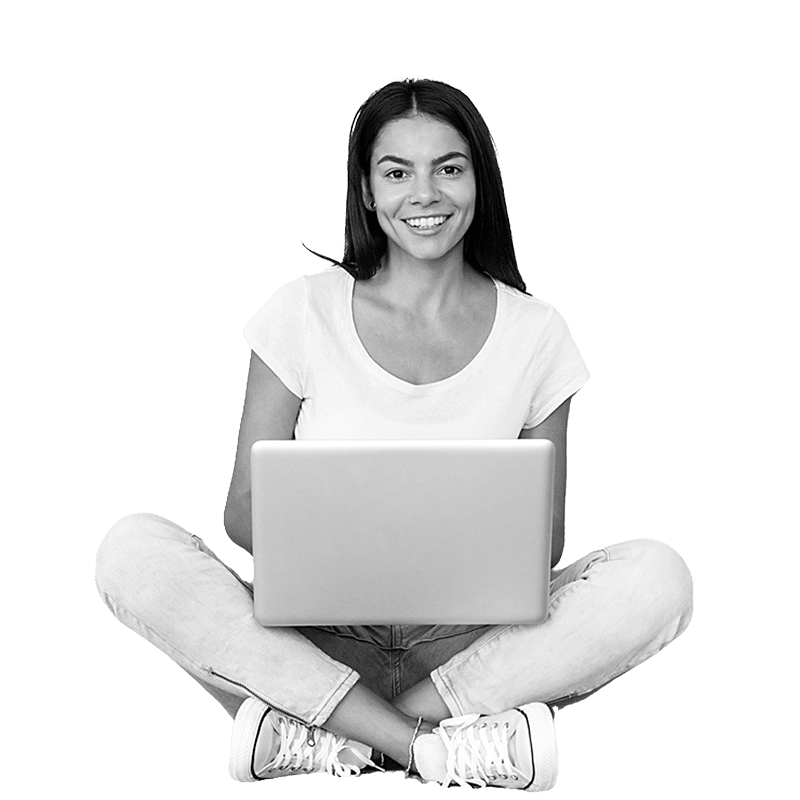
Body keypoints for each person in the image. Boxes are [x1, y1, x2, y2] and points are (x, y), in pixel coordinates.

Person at [95, 78, 693, 792]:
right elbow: (243, 512)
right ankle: (434, 748)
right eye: (397, 172)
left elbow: (546, 543)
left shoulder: (538, 333)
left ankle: (338, 737)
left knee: (659, 578)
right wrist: (353, 545)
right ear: (367, 190)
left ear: (480, 181)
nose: (425, 194)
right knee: (131, 551)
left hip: (471, 655)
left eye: (449, 167)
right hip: (315, 639)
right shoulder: (301, 312)